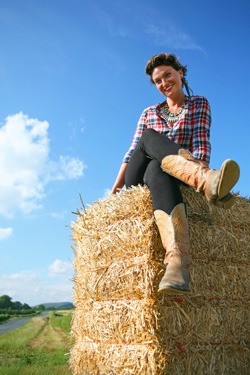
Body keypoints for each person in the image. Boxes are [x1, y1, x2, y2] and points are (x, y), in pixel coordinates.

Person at [111, 53, 240, 295]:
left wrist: (199, 164)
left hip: (169, 176)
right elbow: (132, 152)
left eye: (167, 75)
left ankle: (177, 263)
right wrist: (116, 187)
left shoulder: (199, 104)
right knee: (149, 138)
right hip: (137, 179)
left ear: (180, 73)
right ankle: (206, 181)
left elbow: (201, 143)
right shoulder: (149, 112)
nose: (163, 83)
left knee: (157, 168)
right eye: (157, 81)